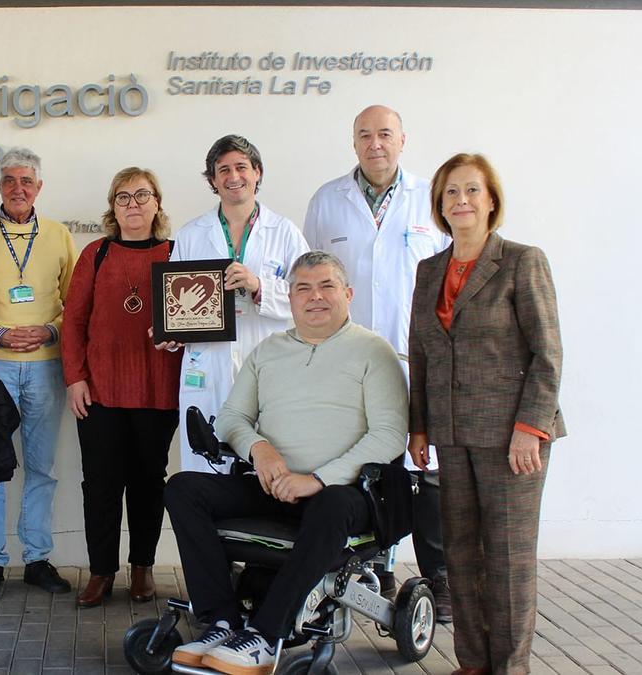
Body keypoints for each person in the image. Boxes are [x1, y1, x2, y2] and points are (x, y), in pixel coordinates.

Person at [166, 251, 407, 675]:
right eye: (303, 288)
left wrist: (316, 479)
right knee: (184, 488)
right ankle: (221, 621)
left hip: (343, 493)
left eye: (326, 286)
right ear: (291, 299)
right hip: (273, 484)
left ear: (347, 294)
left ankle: (264, 634)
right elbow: (232, 418)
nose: (315, 297)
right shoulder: (268, 351)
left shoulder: (374, 351)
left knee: (332, 504)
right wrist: (259, 449)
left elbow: (388, 436)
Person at [408, 154, 564, 675]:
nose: (461, 201)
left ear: (491, 200)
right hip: (452, 435)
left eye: (472, 191)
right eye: (451, 192)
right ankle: (472, 662)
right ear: (439, 204)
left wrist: (531, 429)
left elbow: (548, 353)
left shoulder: (522, 261)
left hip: (511, 437)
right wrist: (420, 426)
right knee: (461, 555)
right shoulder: (429, 270)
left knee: (509, 560)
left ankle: (510, 667)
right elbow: (422, 353)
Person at [303, 104, 451, 617]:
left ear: (403, 140)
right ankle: (375, 569)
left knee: (424, 466)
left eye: (385, 134)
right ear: (354, 142)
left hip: (417, 359)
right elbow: (311, 286)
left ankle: (438, 575)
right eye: (365, 135)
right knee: (365, 464)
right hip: (350, 362)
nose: (375, 144)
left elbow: (452, 282)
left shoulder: (432, 199)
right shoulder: (327, 202)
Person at [61, 167, 181, 608]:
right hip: (100, 391)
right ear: (112, 207)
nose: (133, 204)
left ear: (157, 203)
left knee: (150, 482)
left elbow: (194, 316)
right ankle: (100, 573)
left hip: (157, 389)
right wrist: (74, 377)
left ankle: (143, 569)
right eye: (123, 197)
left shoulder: (176, 253)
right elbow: (73, 320)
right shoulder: (95, 253)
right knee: (101, 484)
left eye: (142, 195)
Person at [0, 147, 77, 599]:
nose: (18, 188)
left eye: (26, 181)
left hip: (46, 366)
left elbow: (77, 304)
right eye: (10, 180)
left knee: (42, 467)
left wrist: (51, 330)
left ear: (39, 187)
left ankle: (37, 558)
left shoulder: (57, 234)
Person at [169, 134, 309, 474]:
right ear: (213, 180)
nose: (234, 176)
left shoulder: (285, 232)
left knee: (269, 463)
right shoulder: (191, 235)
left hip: (266, 357)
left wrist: (259, 286)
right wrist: (171, 330)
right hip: (209, 363)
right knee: (206, 466)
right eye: (223, 170)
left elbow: (308, 299)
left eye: (242, 167)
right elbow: (174, 305)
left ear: (257, 172)